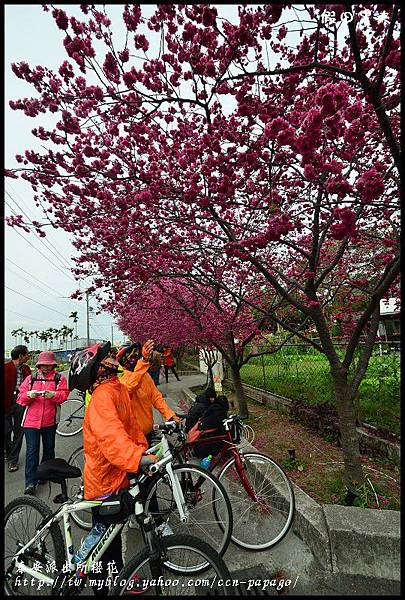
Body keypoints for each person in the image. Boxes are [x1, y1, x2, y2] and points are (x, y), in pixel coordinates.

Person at [69, 341, 158, 596]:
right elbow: (112, 438)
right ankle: (101, 589)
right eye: (108, 356)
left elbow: (130, 429)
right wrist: (136, 457)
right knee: (101, 545)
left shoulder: (116, 388)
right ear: (98, 368)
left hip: (117, 477)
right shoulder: (101, 397)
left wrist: (144, 451)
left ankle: (120, 578)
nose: (114, 357)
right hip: (105, 483)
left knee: (113, 538)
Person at [17, 351, 69, 494]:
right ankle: (30, 482)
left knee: (49, 450)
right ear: (39, 365)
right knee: (32, 452)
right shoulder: (31, 378)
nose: (46, 368)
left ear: (53, 365)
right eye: (43, 365)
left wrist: (54, 395)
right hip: (31, 423)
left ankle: (44, 474)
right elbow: (20, 398)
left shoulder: (59, 379)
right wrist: (29, 395)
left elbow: (64, 395)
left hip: (50, 421)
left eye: (49, 365)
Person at [4, 345, 31, 472]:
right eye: (26, 354)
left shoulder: (26, 369)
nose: (28, 356)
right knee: (6, 431)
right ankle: (8, 452)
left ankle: (13, 459)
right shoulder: (6, 367)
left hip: (21, 400)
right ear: (20, 356)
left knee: (19, 431)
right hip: (6, 401)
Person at [185, 387, 230, 459]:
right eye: (212, 397)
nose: (213, 399)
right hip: (198, 436)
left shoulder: (203, 403)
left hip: (194, 431)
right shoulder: (207, 408)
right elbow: (224, 429)